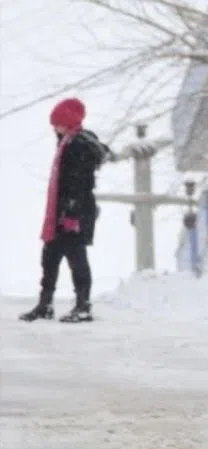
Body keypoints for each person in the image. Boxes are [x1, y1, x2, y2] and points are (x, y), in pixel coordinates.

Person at [20, 97, 111, 323]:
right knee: (50, 257)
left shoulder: (78, 145)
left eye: (58, 122)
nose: (54, 127)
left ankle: (83, 306)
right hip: (63, 213)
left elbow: (79, 182)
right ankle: (46, 304)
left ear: (69, 122)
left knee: (76, 258)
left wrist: (71, 212)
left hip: (74, 213)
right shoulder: (66, 143)